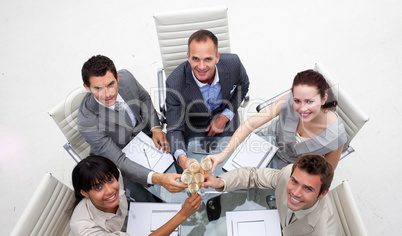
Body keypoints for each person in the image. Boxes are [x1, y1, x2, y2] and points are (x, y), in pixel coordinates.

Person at [77, 55, 186, 201]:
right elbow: (119, 161)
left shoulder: (126, 78)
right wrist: (158, 179)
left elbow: (144, 98)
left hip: (146, 138)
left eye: (111, 84)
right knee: (151, 201)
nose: (108, 94)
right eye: (98, 88)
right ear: (87, 88)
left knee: (183, 161)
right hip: (118, 159)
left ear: (117, 77)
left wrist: (155, 128)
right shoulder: (87, 122)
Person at [209, 69, 347, 171]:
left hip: (290, 171)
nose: (302, 109)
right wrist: (222, 154)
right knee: (225, 170)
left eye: (309, 102)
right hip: (263, 143)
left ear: (323, 99)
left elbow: (326, 173)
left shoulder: (336, 136)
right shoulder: (291, 98)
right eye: (297, 100)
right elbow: (253, 123)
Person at [165, 29, 250, 171]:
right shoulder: (174, 83)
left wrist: (224, 117)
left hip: (225, 120)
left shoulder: (233, 64)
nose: (202, 67)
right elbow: (174, 128)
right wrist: (182, 158)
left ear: (217, 57)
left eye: (208, 59)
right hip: (193, 126)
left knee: (233, 169)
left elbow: (243, 86)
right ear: (188, 56)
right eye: (196, 59)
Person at [204, 154, 343, 236]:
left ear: (323, 193)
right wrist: (218, 182)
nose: (295, 192)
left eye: (308, 189)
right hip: (275, 226)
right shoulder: (288, 174)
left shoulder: (322, 232)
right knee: (220, 228)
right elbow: (253, 176)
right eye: (294, 181)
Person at [70, 155, 202, 236]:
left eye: (110, 180)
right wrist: (183, 214)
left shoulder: (115, 175)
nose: (110, 190)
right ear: (84, 192)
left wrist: (161, 179)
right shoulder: (87, 230)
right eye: (98, 187)